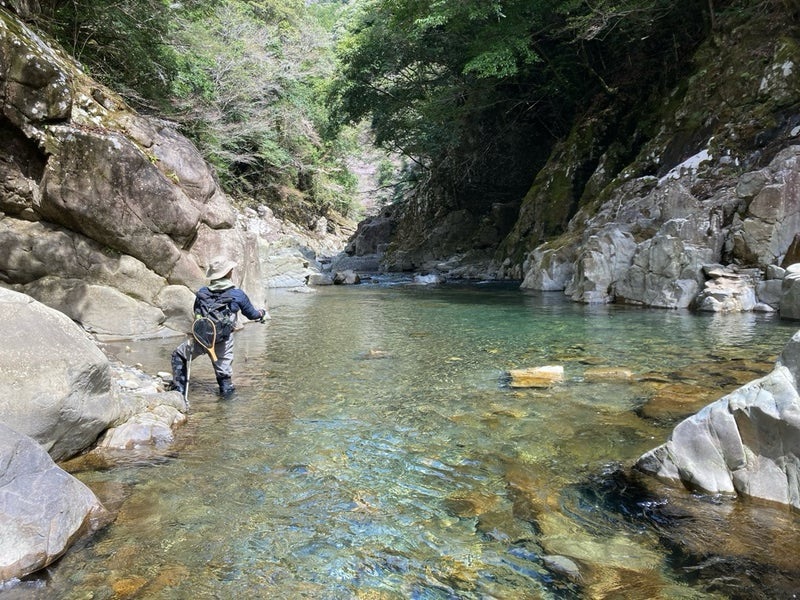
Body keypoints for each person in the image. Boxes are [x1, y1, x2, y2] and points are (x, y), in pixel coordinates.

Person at [171, 256, 268, 397]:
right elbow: (252, 314)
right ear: (228, 273)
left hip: (203, 338)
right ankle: (227, 409)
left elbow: (197, 315)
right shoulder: (237, 295)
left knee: (178, 355)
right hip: (223, 340)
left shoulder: (202, 293)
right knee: (224, 378)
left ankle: (179, 391)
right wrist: (262, 313)